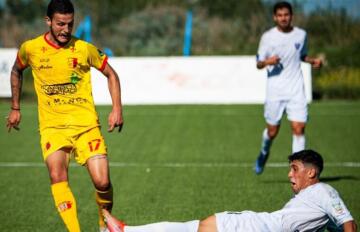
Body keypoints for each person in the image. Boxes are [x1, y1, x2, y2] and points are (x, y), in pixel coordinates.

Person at [6, 0, 123, 231]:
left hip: (86, 126)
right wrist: (16, 107)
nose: (66, 30)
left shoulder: (83, 48)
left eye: (70, 24)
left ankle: (103, 223)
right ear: (48, 21)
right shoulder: (31, 49)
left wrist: (117, 108)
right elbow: (16, 70)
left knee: (103, 181)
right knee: (56, 174)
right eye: (60, 24)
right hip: (53, 128)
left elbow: (111, 74)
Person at [101, 150, 357, 232]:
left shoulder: (324, 191)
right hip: (262, 224)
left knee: (201, 227)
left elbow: (347, 222)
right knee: (196, 227)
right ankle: (126, 230)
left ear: (311, 173)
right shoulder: (308, 198)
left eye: (295, 168)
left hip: (263, 226)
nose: (290, 174)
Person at [254, 1, 323, 175]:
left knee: (298, 128)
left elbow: (302, 55)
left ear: (291, 16)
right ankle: (263, 153)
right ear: (275, 17)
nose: (283, 18)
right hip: (275, 91)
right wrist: (268, 61)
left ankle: (297, 171)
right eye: (280, 15)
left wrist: (311, 60)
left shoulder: (301, 35)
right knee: (272, 131)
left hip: (296, 89)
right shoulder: (268, 37)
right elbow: (259, 63)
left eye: (286, 15)